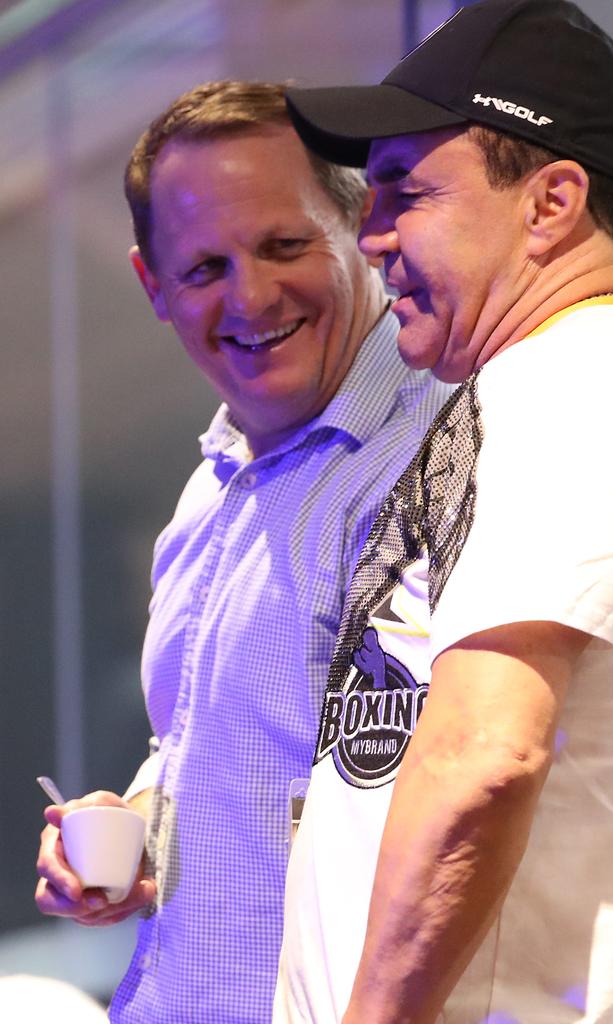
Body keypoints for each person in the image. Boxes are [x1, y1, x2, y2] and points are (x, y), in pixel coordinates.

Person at [274, 2, 613, 1020]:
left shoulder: (580, 377)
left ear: (551, 203)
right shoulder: (571, 381)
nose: (368, 233)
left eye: (406, 190)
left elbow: (485, 754)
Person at [34, 81, 451, 1022]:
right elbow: (215, 747)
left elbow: (466, 797)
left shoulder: (439, 456)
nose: (251, 295)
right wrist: (136, 828)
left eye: (284, 245)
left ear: (360, 224)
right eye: (204, 268)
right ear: (151, 285)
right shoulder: (210, 486)